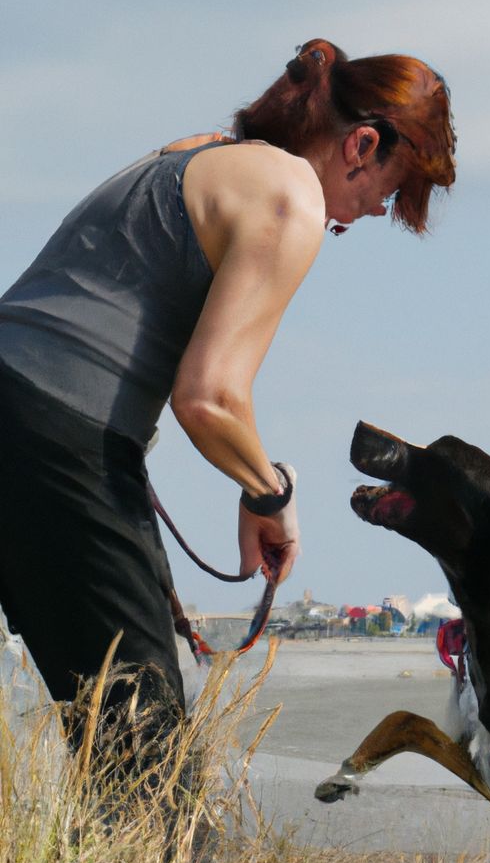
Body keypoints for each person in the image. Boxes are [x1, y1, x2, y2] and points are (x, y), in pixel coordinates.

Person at [0, 38, 456, 764]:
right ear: (362, 146)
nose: (378, 211)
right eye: (390, 191)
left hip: (29, 413)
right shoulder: (291, 194)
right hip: (60, 438)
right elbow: (208, 397)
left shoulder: (198, 152)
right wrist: (272, 494)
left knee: (114, 727)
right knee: (145, 759)